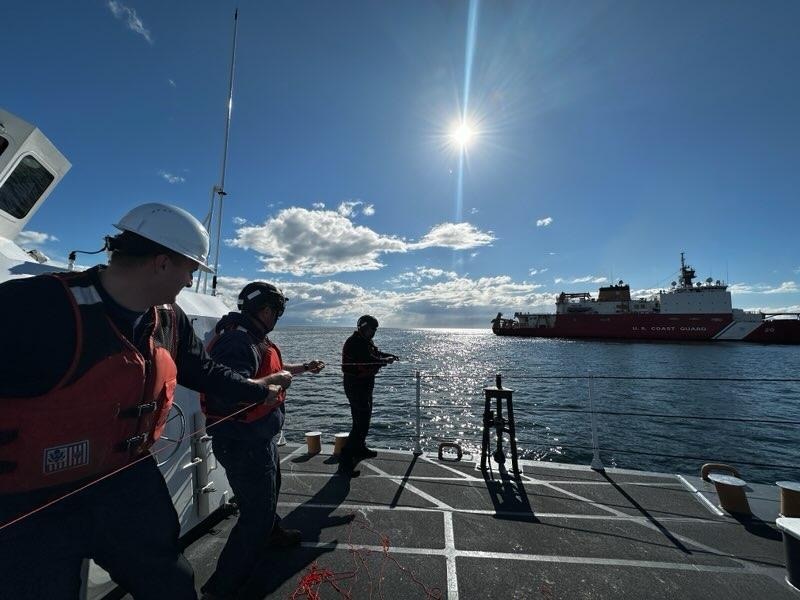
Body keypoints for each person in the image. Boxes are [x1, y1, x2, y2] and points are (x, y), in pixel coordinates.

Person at [0, 203, 281, 600]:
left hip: (126, 482)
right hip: (30, 505)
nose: (189, 280)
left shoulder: (170, 320)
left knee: (171, 585)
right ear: (162, 263)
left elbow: (205, 372)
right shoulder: (33, 306)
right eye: (190, 269)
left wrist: (260, 388)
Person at [200, 281, 324, 600]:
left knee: (271, 491)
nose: (277, 316)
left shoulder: (252, 337)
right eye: (277, 310)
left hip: (258, 438)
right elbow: (226, 391)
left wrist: (304, 369)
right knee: (256, 515)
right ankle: (222, 588)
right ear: (267, 311)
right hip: (244, 444)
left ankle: (273, 534)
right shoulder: (237, 343)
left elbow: (275, 371)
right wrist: (271, 385)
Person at [338, 315, 399, 475]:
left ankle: (360, 448)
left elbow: (376, 353)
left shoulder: (365, 341)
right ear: (363, 327)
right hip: (355, 385)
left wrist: (389, 355)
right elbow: (368, 359)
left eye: (375, 330)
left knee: (365, 419)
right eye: (372, 329)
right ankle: (345, 462)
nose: (374, 332)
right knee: (359, 423)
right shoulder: (355, 342)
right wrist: (385, 360)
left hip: (365, 384)